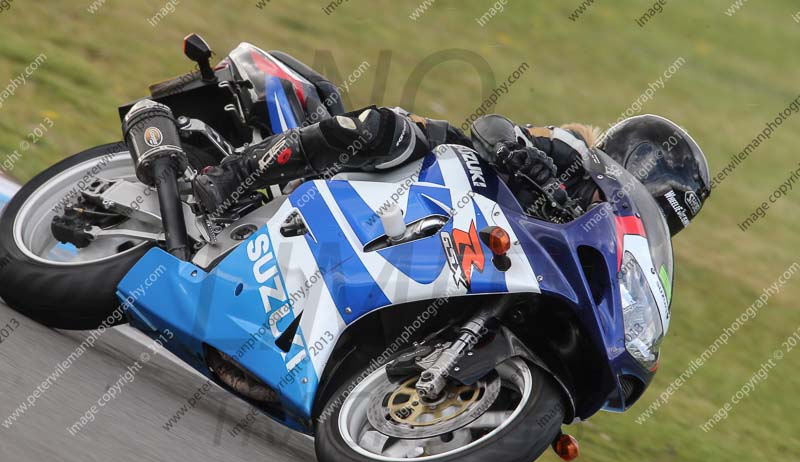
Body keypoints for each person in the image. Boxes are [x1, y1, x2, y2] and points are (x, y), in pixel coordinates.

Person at [192, 106, 710, 235]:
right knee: (382, 129)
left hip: (457, 251)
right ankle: (229, 176)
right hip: (435, 177)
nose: (630, 217)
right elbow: (491, 125)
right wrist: (519, 154)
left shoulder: (604, 244)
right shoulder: (569, 155)